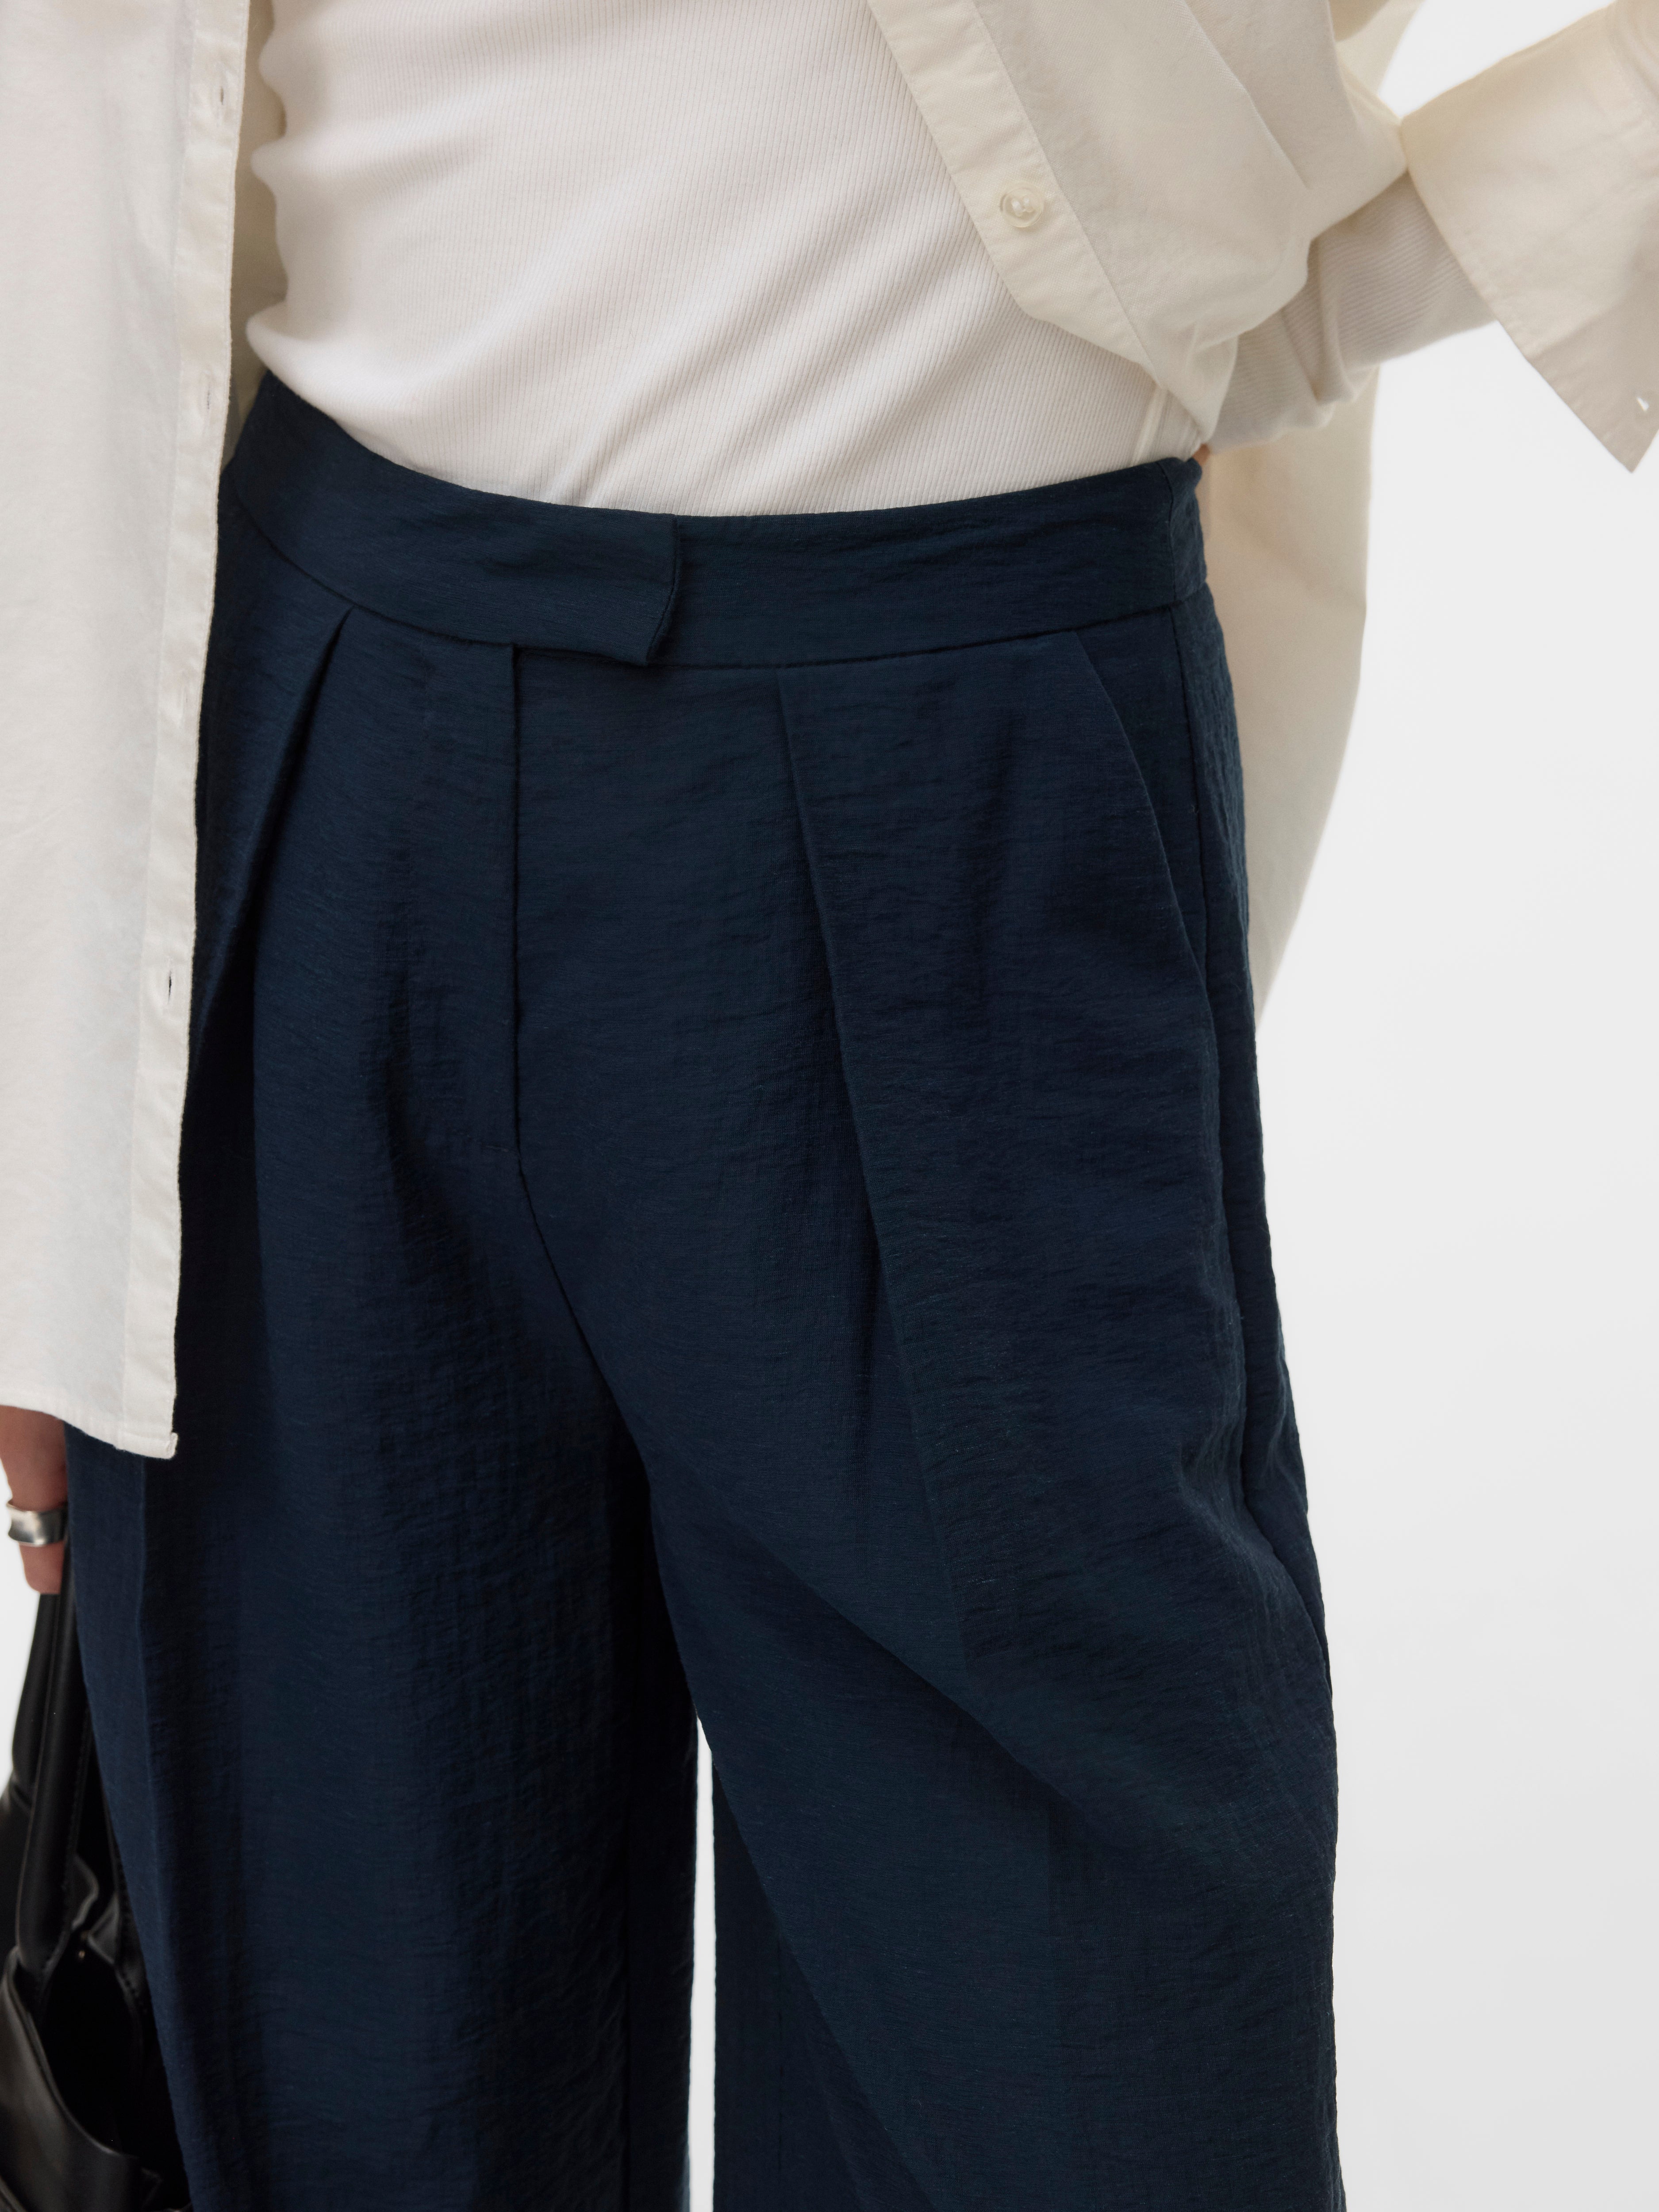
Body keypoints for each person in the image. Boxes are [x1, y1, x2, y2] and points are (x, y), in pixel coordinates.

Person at [0, 1, 1654, 2205]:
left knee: (1090, 2076)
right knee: (357, 2083)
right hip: (311, 754)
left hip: (956, 758)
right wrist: (38, 1150)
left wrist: (1380, 255)